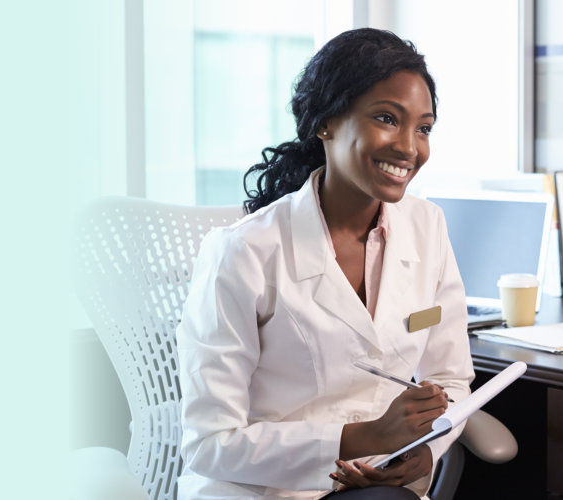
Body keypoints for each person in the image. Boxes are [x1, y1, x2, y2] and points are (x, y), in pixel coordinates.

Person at [175, 28, 472, 500]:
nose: (409, 147)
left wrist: (425, 448)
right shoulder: (244, 251)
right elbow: (210, 443)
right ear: (325, 123)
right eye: (386, 118)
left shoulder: (428, 227)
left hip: (377, 479)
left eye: (423, 127)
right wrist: (365, 438)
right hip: (264, 488)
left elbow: (450, 379)